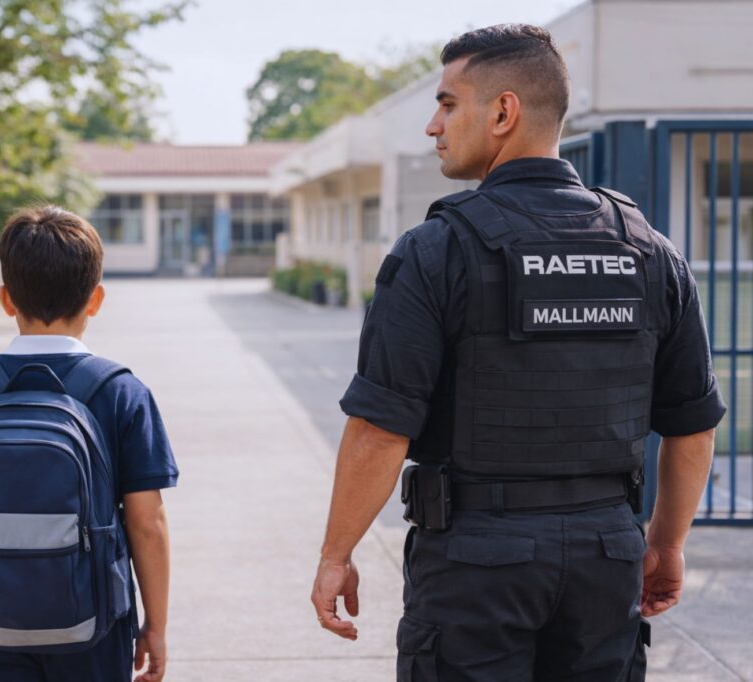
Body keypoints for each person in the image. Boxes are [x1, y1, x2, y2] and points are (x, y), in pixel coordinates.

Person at [310, 24, 724, 681]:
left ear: (503, 112)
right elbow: (693, 424)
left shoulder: (436, 251)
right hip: (606, 557)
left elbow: (380, 430)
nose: (433, 126)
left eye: (448, 104)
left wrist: (337, 553)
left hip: (476, 564)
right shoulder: (650, 250)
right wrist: (666, 544)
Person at [0, 206, 178, 682]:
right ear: (96, 299)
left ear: (5, 299)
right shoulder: (122, 393)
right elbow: (147, 524)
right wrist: (155, 627)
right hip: (96, 628)